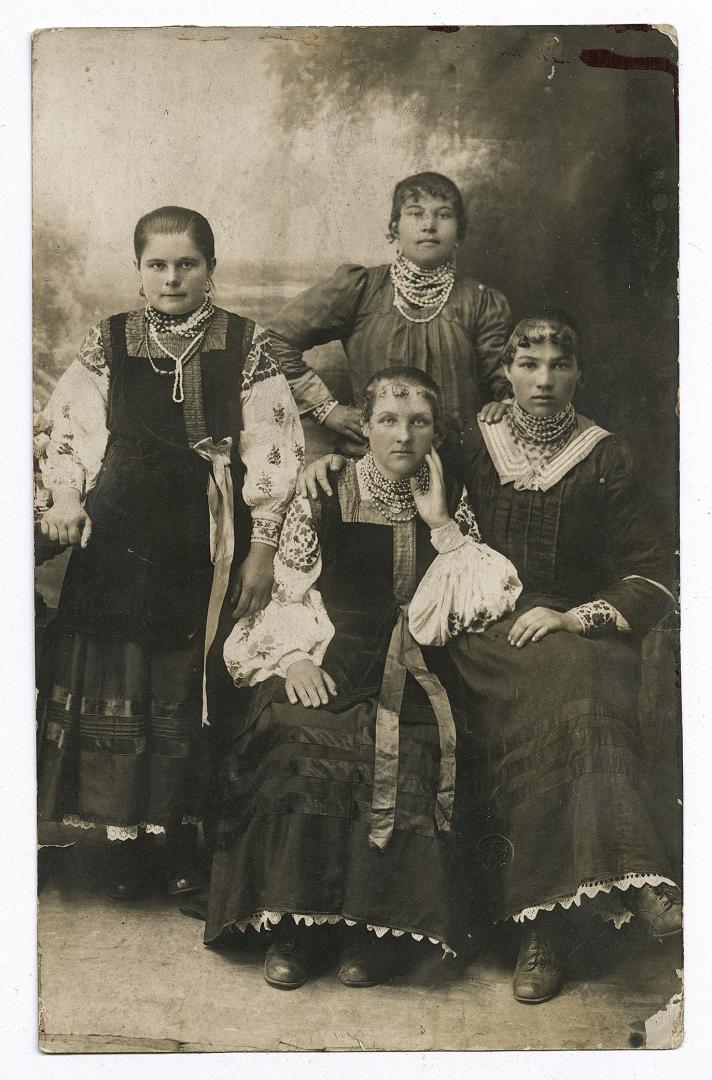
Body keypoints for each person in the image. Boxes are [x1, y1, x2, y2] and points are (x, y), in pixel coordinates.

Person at [297, 311, 681, 1003]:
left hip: (571, 625)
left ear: (578, 374)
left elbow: (652, 576)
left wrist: (575, 615)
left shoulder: (607, 455)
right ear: (505, 372)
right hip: (474, 619)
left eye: (558, 366)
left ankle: (567, 915)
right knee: (555, 685)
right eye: (528, 365)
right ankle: (585, 899)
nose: (543, 380)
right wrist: (329, 457)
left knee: (580, 678)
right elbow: (394, 462)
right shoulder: (473, 437)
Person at [203, 367, 522, 988]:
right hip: (330, 646)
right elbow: (287, 595)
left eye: (419, 422)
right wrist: (294, 659)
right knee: (299, 734)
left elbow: (485, 596)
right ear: (365, 427)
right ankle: (294, 925)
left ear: (436, 430)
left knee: (413, 749)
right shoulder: (324, 490)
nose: (403, 436)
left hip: (425, 656)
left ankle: (372, 931)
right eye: (388, 420)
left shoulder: (449, 493)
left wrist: (439, 524)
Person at [36, 206, 303, 901]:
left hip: (202, 538)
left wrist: (263, 549)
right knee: (118, 674)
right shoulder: (112, 340)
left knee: (186, 680)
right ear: (139, 270)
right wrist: (65, 497)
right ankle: (120, 844)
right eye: (157, 264)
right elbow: (71, 424)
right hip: (119, 532)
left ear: (210, 267)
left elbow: (273, 449)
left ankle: (177, 839)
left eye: (187, 263)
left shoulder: (247, 345)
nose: (172, 276)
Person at [266, 171, 512, 447]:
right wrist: (326, 409)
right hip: (373, 462)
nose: (429, 225)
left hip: (461, 467)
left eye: (443, 215)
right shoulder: (362, 289)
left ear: (459, 232)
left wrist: (506, 405)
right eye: (415, 213)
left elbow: (507, 381)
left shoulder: (481, 302)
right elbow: (273, 341)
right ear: (395, 227)